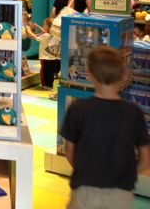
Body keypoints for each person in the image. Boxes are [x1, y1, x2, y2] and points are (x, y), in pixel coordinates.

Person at [60, 47, 150, 209]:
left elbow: (69, 151)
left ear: (89, 73)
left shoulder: (78, 109)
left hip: (85, 189)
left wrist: (85, 172)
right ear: (123, 75)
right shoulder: (134, 112)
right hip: (120, 193)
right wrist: (126, 175)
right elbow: (145, 158)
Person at [26, 17, 60, 94]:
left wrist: (27, 29)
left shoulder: (45, 35)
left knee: (44, 72)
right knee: (51, 72)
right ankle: (50, 85)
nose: (43, 26)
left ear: (47, 27)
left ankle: (45, 85)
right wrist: (38, 26)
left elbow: (34, 36)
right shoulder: (54, 34)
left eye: (44, 25)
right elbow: (45, 31)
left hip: (45, 58)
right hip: (53, 58)